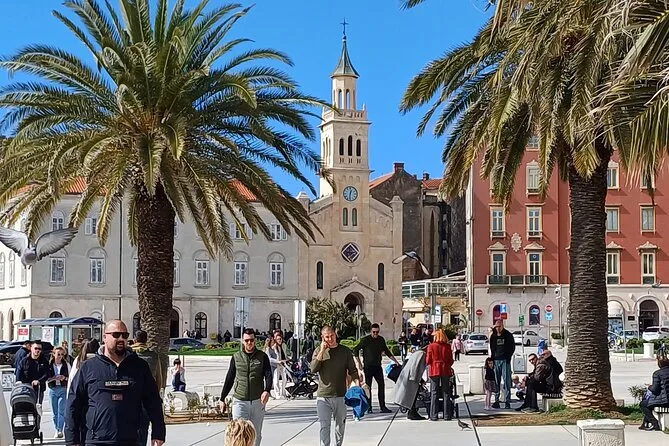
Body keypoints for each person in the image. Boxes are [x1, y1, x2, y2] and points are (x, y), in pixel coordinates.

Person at [65, 320, 165, 446]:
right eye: (116, 335)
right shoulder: (88, 367)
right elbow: (73, 403)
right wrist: (72, 439)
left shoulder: (140, 367)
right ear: (104, 337)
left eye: (125, 335)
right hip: (96, 440)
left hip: (131, 439)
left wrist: (158, 432)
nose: (121, 339)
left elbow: (153, 400)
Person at [219, 328, 272, 446]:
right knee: (238, 433)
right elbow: (229, 378)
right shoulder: (236, 357)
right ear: (242, 341)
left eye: (251, 340)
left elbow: (268, 375)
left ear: (255, 340)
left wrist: (267, 391)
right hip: (240, 400)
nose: (249, 343)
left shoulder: (262, 356)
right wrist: (222, 398)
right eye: (247, 340)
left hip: (257, 401)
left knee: (256, 434)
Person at [311, 326, 360, 446]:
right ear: (322, 338)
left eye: (332, 335)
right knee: (324, 426)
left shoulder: (345, 351)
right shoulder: (318, 351)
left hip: (340, 395)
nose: (330, 339)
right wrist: (322, 351)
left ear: (335, 334)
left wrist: (357, 385)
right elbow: (313, 368)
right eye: (327, 337)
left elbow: (353, 370)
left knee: (340, 426)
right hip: (323, 395)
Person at [353, 323, 398, 414]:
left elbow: (387, 351)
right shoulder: (365, 340)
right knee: (368, 387)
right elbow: (355, 349)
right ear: (371, 331)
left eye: (377, 332)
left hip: (377, 367)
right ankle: (368, 407)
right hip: (368, 367)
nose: (375, 334)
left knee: (381, 385)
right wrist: (359, 363)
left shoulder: (381, 340)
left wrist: (395, 361)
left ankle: (383, 407)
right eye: (374, 332)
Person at [132, 330, 164, 446]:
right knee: (143, 429)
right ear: (146, 340)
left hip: (130, 399)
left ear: (134, 340)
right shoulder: (153, 356)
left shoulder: (128, 354)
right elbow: (159, 379)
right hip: (147, 398)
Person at [425, 329, 454, 420]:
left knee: (434, 392)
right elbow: (451, 360)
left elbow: (428, 360)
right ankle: (447, 415)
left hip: (434, 370)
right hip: (445, 369)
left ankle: (434, 415)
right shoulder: (447, 346)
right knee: (446, 392)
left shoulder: (431, 346)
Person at [394, 347, 427, 420]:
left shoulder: (418, 353)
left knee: (411, 395)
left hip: (410, 376)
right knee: (412, 395)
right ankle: (412, 412)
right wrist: (415, 378)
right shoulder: (421, 354)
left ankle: (412, 412)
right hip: (412, 377)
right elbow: (415, 366)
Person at [489, 319, 516, 409]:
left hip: (505, 360)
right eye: (496, 327)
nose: (498, 328)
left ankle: (507, 401)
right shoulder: (493, 336)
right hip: (496, 360)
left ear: (502, 326)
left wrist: (508, 357)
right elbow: (492, 348)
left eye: (499, 326)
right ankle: (496, 401)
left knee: (506, 381)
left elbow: (512, 347)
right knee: (496, 381)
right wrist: (492, 359)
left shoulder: (508, 335)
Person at [639, 355, 669, 431]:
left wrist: (649, 387)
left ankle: (655, 424)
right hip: (665, 400)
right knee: (648, 403)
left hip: (664, 401)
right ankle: (644, 424)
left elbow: (655, 389)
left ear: (659, 364)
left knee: (643, 404)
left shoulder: (657, 373)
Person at [17, 341, 50, 405]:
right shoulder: (24, 361)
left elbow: (47, 374)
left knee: (37, 407)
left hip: (39, 389)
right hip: (26, 389)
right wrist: (18, 382)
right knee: (26, 407)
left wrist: (39, 381)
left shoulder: (44, 361)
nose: (37, 350)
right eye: (36, 348)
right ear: (31, 348)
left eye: (39, 349)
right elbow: (19, 371)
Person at [47, 347, 69, 438]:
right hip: (53, 389)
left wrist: (64, 378)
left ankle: (60, 430)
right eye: (58, 354)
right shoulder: (49, 365)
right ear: (54, 354)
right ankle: (57, 429)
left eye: (62, 354)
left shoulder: (66, 365)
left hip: (63, 389)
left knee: (61, 411)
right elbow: (46, 378)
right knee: (54, 412)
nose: (60, 356)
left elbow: (70, 377)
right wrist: (53, 378)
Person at [266, 331, 288, 399]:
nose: (280, 340)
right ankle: (277, 394)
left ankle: (283, 393)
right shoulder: (272, 348)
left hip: (282, 365)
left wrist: (286, 360)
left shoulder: (280, 347)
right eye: (278, 339)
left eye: (280, 339)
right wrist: (278, 361)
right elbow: (270, 358)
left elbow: (282, 355)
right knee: (276, 381)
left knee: (285, 379)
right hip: (275, 365)